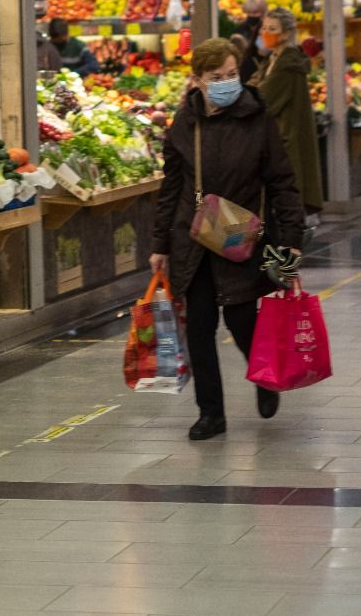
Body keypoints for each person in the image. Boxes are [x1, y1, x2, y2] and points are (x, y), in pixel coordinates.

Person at [149, 38, 305, 441]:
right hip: (194, 235)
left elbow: (283, 181)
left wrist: (292, 236)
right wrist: (159, 244)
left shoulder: (257, 118)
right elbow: (170, 188)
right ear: (197, 80)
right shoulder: (185, 122)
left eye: (232, 75)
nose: (226, 83)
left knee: (241, 320)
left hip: (241, 235)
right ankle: (210, 413)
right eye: (216, 77)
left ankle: (265, 378)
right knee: (199, 327)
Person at [248, 7, 324, 214]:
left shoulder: (288, 64)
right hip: (276, 141)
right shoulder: (273, 60)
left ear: (287, 34)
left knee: (282, 208)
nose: (265, 33)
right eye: (264, 27)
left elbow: (262, 97)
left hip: (283, 143)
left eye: (272, 28)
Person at [235, 0, 267, 82]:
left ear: (263, 12)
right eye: (249, 13)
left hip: (260, 71)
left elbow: (264, 50)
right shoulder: (241, 28)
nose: (251, 16)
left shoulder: (265, 29)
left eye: (255, 13)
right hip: (245, 71)